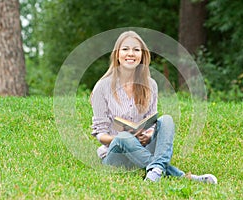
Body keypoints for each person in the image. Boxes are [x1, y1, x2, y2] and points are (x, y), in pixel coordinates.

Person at [90, 30, 217, 184]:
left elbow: (152, 122)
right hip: (116, 155)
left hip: (142, 148)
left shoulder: (151, 85)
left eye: (136, 50)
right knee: (124, 137)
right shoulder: (102, 87)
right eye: (125, 49)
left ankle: (155, 170)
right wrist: (120, 138)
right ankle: (181, 176)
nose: (131, 53)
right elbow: (100, 134)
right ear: (117, 54)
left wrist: (148, 135)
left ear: (142, 56)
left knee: (167, 120)